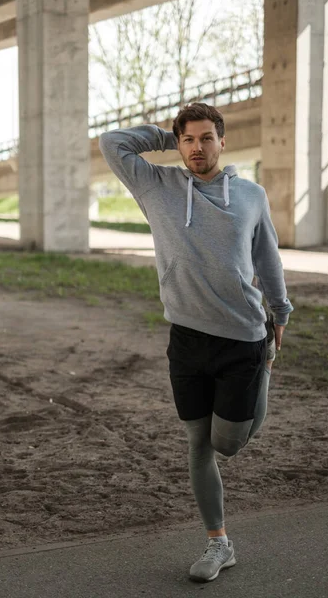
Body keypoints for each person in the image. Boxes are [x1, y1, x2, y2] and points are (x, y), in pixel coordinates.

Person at [99, 103, 293, 583]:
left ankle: (265, 366)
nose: (197, 148)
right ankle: (217, 542)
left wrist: (281, 311)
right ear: (178, 143)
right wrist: (166, 136)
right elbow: (111, 143)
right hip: (186, 337)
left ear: (223, 142)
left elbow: (267, 259)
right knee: (198, 442)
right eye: (188, 140)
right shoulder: (156, 186)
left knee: (228, 444)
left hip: (243, 338)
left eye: (207, 138)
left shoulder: (250, 195)